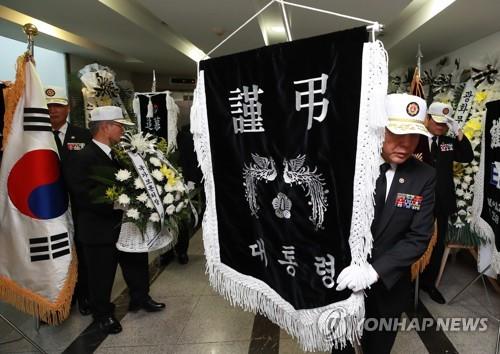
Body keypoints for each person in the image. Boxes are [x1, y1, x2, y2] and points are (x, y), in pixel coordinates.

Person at [334, 93, 436, 354]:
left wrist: (373, 271)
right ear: (380, 129)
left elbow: (418, 237)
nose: (405, 144)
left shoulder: (424, 176)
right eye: (396, 134)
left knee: (378, 347)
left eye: (413, 135)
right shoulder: (348, 166)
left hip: (388, 284)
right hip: (342, 280)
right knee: (339, 345)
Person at [64, 106, 165, 335]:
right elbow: (83, 195)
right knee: (101, 274)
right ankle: (103, 314)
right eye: (119, 126)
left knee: (136, 263)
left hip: (125, 226)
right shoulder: (81, 157)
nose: (122, 131)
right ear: (105, 127)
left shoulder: (118, 154)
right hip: (98, 230)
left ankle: (140, 298)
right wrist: (119, 202)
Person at [415, 101, 473, 304]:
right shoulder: (416, 139)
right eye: (437, 122)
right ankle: (408, 284)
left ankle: (429, 283)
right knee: (413, 242)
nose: (441, 127)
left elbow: (466, 156)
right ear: (427, 119)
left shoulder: (448, 142)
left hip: (442, 203)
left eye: (445, 124)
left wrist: (459, 133)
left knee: (438, 245)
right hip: (418, 202)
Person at [45, 86, 92, 316]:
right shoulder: (35, 137)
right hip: (47, 208)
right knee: (56, 253)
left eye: (58, 105)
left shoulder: (83, 136)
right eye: (48, 106)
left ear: (68, 108)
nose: (53, 110)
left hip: (78, 206)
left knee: (81, 251)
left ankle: (84, 296)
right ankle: (60, 299)